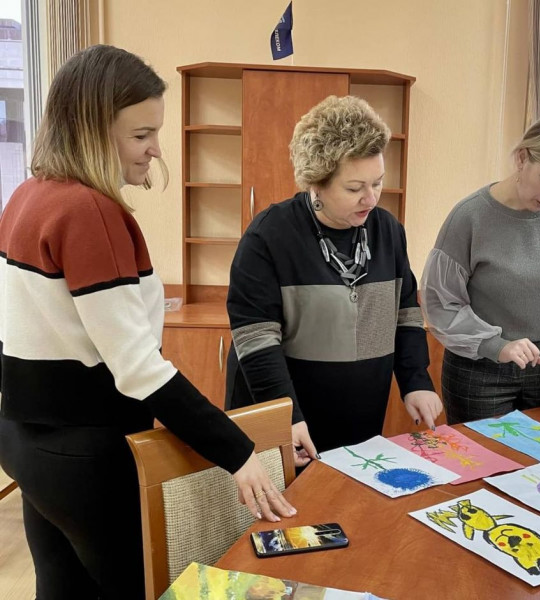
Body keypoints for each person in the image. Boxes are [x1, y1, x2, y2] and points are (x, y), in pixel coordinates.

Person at [0, 45, 295, 600]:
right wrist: (237, 451)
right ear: (92, 131)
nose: (156, 150)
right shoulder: (90, 211)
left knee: (61, 588)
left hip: (25, 441)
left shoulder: (26, 195)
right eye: (141, 135)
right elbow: (138, 368)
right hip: (84, 452)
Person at [225, 95, 443, 464]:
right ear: (317, 182)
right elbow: (256, 337)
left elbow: (405, 313)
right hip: (285, 416)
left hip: (359, 414)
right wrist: (285, 416)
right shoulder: (269, 235)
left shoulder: (388, 231)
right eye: (355, 188)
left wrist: (416, 381)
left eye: (378, 183)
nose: (371, 199)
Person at [421, 109, 540, 431]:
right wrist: (497, 346)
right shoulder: (469, 216)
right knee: (484, 460)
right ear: (522, 157)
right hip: (480, 369)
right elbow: (441, 304)